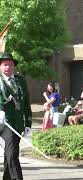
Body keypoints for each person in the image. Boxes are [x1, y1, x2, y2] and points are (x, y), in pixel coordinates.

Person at [0, 52, 32, 180]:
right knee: (12, 152)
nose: (7, 67)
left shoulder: (20, 80)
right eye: (5, 65)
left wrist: (28, 123)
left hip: (16, 123)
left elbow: (26, 102)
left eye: (10, 65)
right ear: (0, 67)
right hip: (3, 120)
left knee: (11, 152)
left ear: (14, 66)